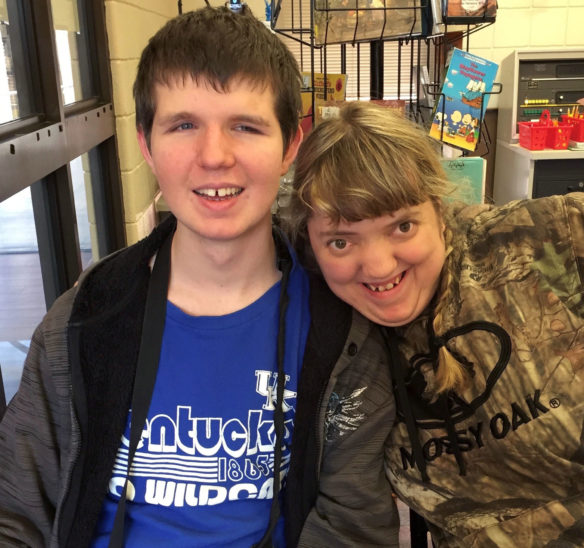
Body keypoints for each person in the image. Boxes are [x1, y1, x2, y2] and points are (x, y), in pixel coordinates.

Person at [0, 7, 399, 547]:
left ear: (290, 146)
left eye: (245, 125)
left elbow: (353, 525)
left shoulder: (339, 332)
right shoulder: (84, 319)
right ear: (146, 145)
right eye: (184, 125)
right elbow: (16, 510)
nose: (215, 156)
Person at [288, 100, 584, 546]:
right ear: (310, 244)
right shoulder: (332, 340)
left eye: (402, 227)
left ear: (438, 211)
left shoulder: (539, 240)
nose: (378, 265)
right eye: (341, 241)